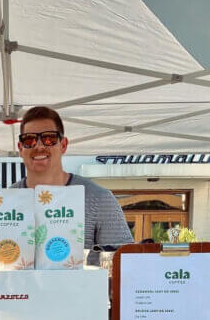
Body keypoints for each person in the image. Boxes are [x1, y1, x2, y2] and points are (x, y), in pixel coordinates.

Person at [12, 105, 133, 249]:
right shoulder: (6, 202)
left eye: (49, 138)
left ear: (63, 145)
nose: (39, 146)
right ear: (20, 148)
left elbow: (123, 262)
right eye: (29, 140)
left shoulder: (99, 198)